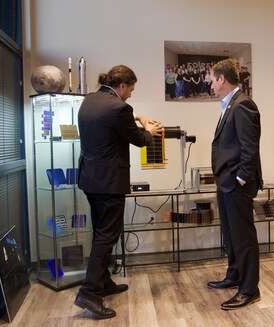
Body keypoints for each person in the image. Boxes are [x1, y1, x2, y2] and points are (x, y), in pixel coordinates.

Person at [75, 65, 163, 319]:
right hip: (109, 183)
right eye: (131, 89)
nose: (131, 95)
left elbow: (115, 124)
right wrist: (151, 131)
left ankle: (103, 281)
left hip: (90, 179)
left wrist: (138, 117)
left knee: (99, 232)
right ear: (122, 85)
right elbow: (138, 139)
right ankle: (89, 293)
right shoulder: (119, 108)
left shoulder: (90, 100)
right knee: (107, 235)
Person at [207, 59, 263, 310]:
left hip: (236, 184)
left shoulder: (243, 105)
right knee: (230, 236)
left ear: (221, 79)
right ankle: (234, 276)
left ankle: (250, 289)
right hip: (226, 183)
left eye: (212, 79)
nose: (210, 83)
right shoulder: (229, 105)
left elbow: (250, 149)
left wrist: (240, 178)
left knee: (243, 238)